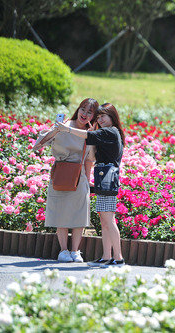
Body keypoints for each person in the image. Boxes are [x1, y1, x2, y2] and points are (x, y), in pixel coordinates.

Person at [56, 103, 126, 267]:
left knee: (109, 219)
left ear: (112, 117)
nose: (100, 119)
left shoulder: (110, 131)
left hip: (108, 177)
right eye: (98, 117)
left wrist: (67, 129)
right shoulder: (110, 132)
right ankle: (107, 256)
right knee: (105, 220)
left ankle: (118, 257)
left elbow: (88, 136)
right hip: (106, 177)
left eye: (103, 116)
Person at [33, 98, 98, 262]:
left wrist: (88, 181)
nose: (85, 114)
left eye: (90, 112)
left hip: (80, 175)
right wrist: (56, 130)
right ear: (78, 109)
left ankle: (75, 251)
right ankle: (63, 251)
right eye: (83, 109)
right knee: (60, 211)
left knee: (80, 214)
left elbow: (90, 160)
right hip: (61, 172)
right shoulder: (64, 125)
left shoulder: (89, 133)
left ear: (94, 115)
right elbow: (37, 145)